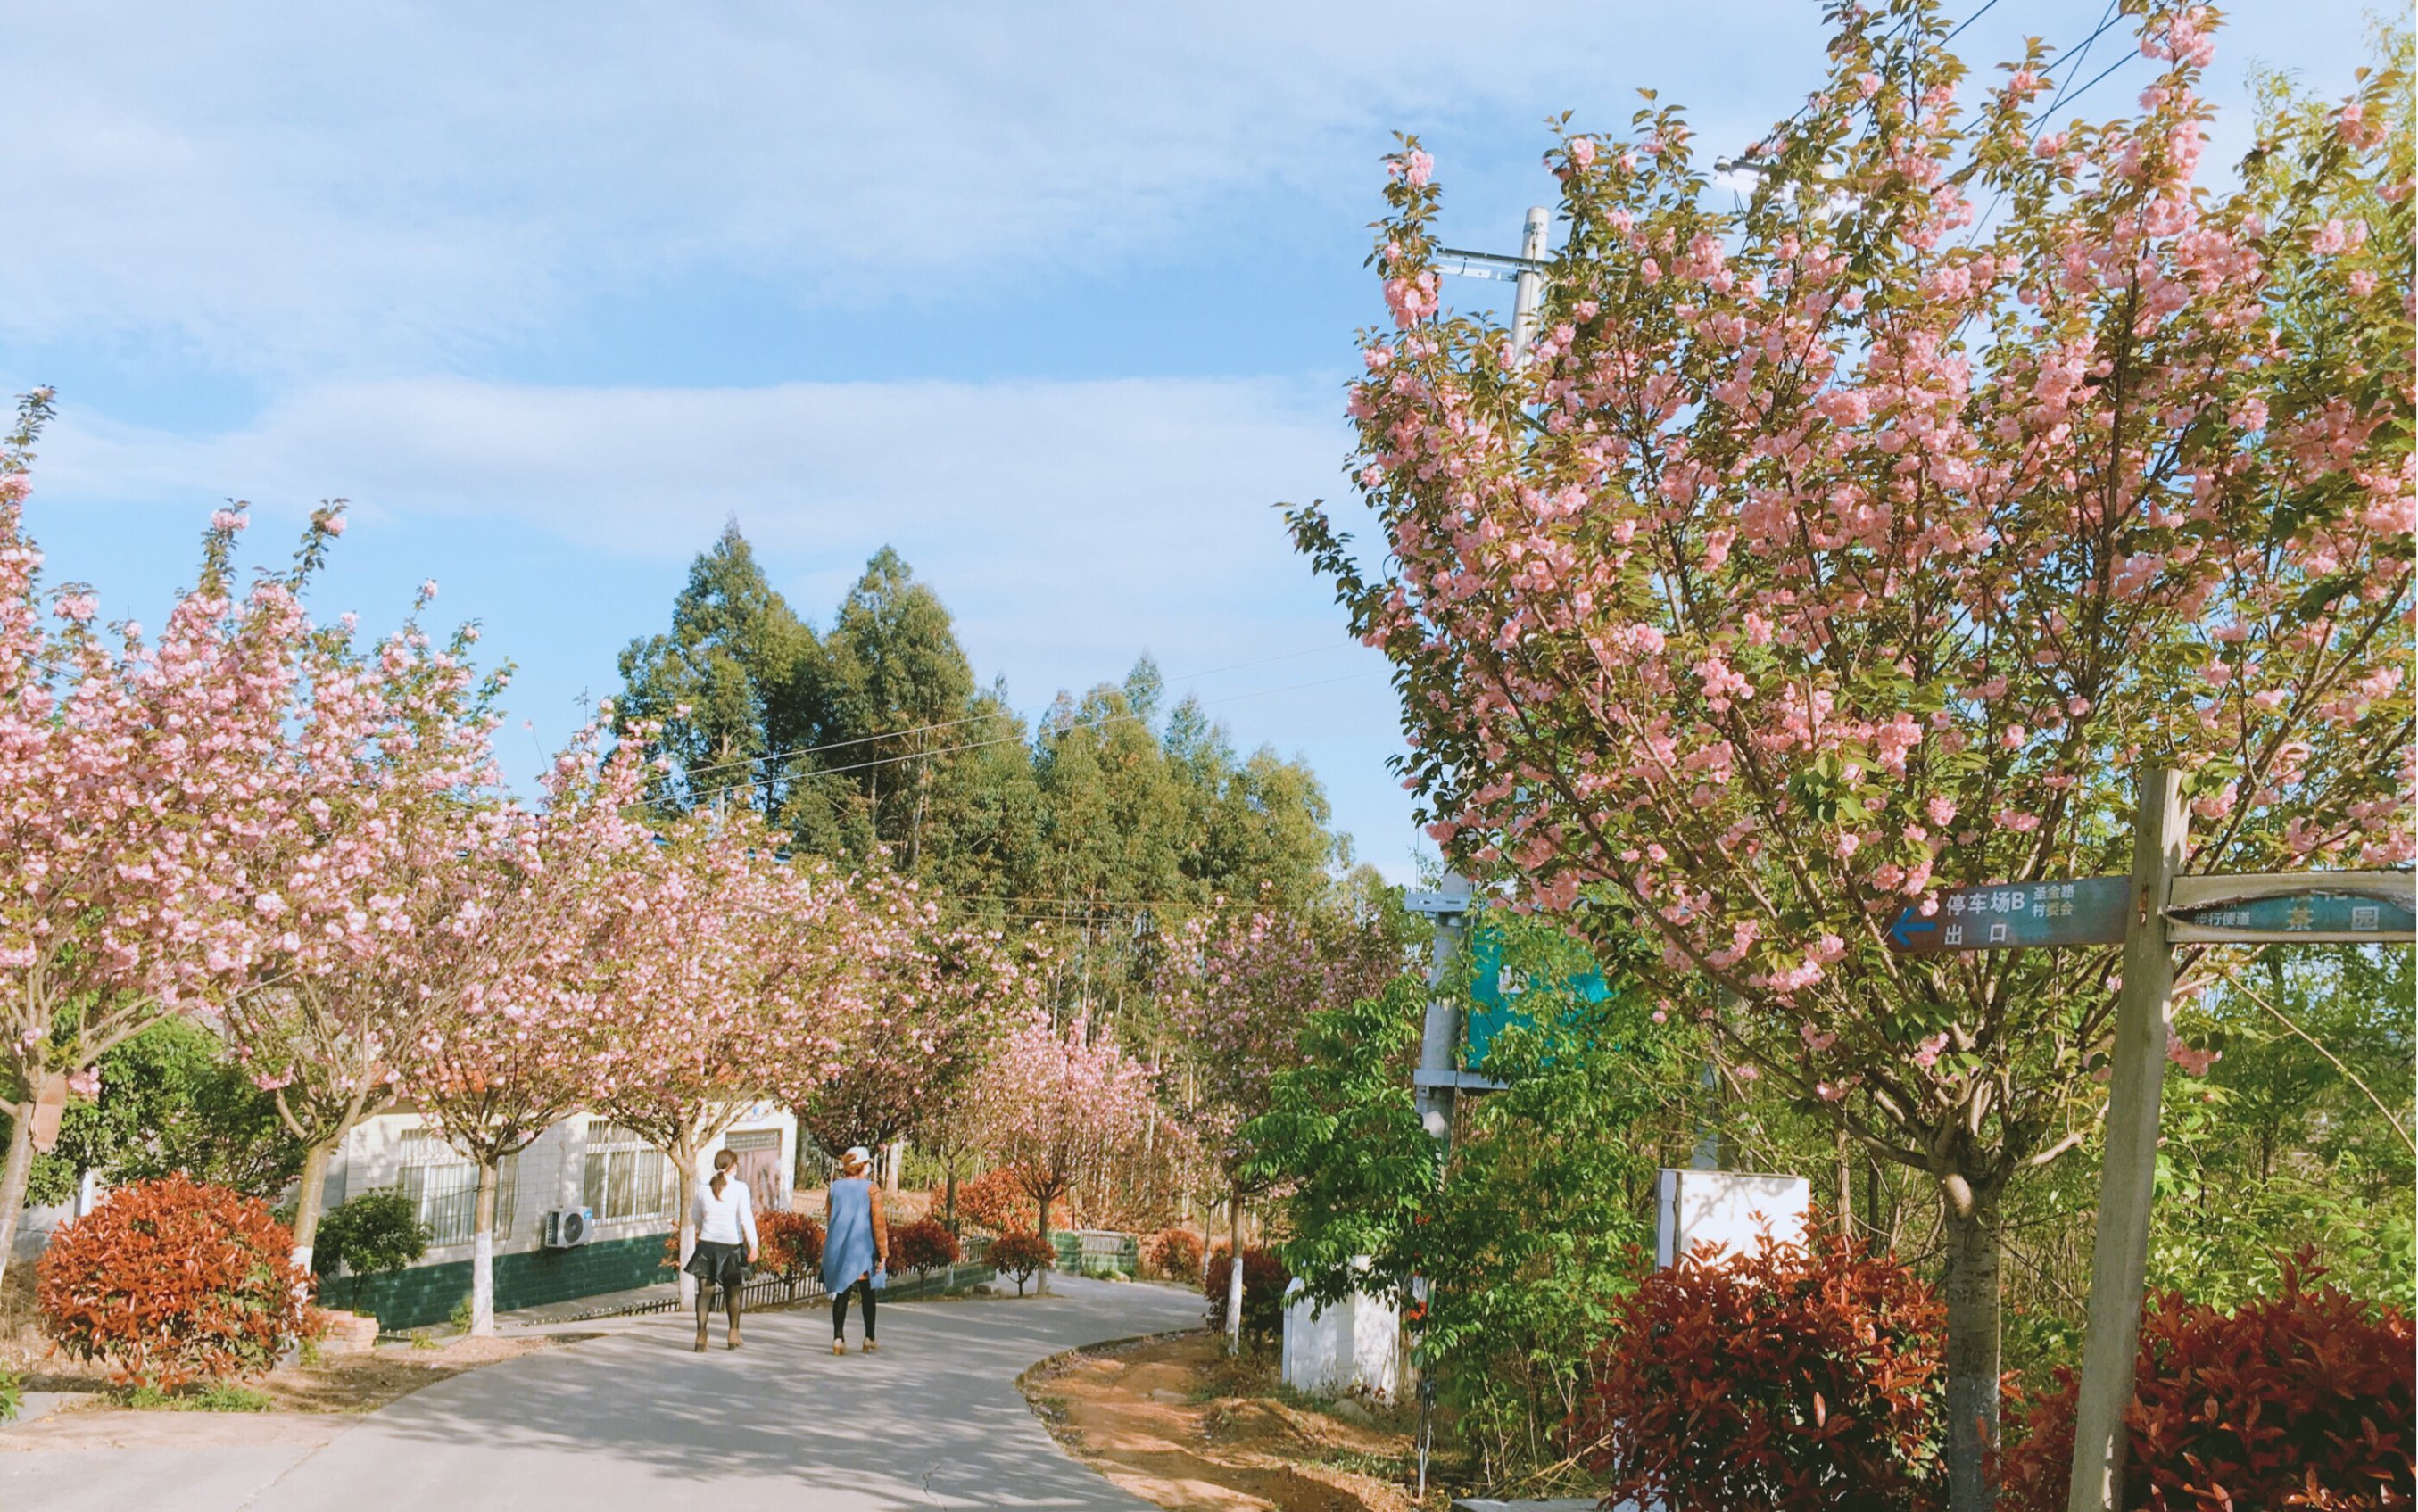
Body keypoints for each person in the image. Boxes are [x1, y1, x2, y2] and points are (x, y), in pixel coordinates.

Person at [686, 1146, 758, 1351]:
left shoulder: (703, 1188)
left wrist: (704, 1228)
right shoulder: (740, 1189)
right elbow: (746, 1218)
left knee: (704, 1293)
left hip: (707, 1245)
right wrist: (754, 1244)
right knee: (733, 1293)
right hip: (731, 1245)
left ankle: (701, 1335)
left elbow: (696, 1215)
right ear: (733, 1166)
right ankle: (733, 1332)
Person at [821, 1144, 888, 1355]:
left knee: (842, 1292)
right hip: (863, 1248)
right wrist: (883, 1252)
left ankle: (838, 1338)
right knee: (868, 1295)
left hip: (838, 1247)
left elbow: (830, 1217)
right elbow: (878, 1223)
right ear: (862, 1166)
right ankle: (869, 1337)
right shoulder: (871, 1189)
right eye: (867, 1164)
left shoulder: (834, 1188)